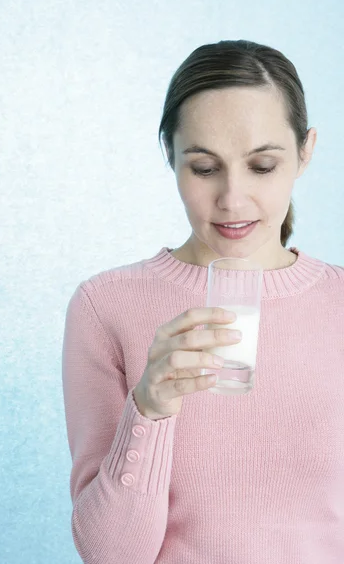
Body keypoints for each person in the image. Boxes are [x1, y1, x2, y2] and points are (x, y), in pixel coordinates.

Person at [61, 40, 344, 563]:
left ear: (306, 152)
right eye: (204, 168)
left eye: (262, 165)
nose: (233, 199)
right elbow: (112, 556)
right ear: (169, 155)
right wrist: (149, 409)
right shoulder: (105, 305)